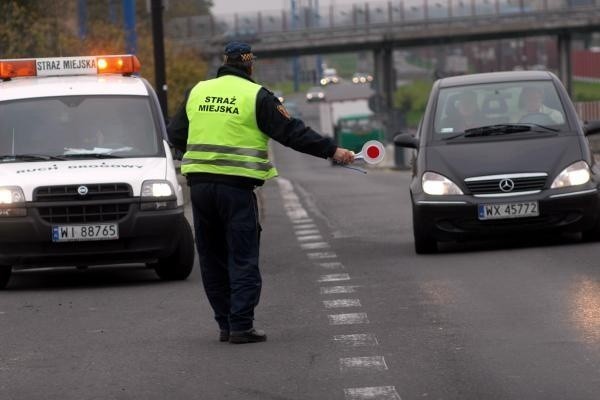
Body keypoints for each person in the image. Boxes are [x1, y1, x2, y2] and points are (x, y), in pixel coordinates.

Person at [167, 42, 355, 344]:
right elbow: (292, 133)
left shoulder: (197, 91)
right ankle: (242, 325)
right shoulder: (257, 96)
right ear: (249, 65)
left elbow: (175, 134)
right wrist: (333, 151)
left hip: (200, 188)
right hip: (236, 190)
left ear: (224, 62)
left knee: (212, 258)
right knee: (242, 257)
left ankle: (225, 324)